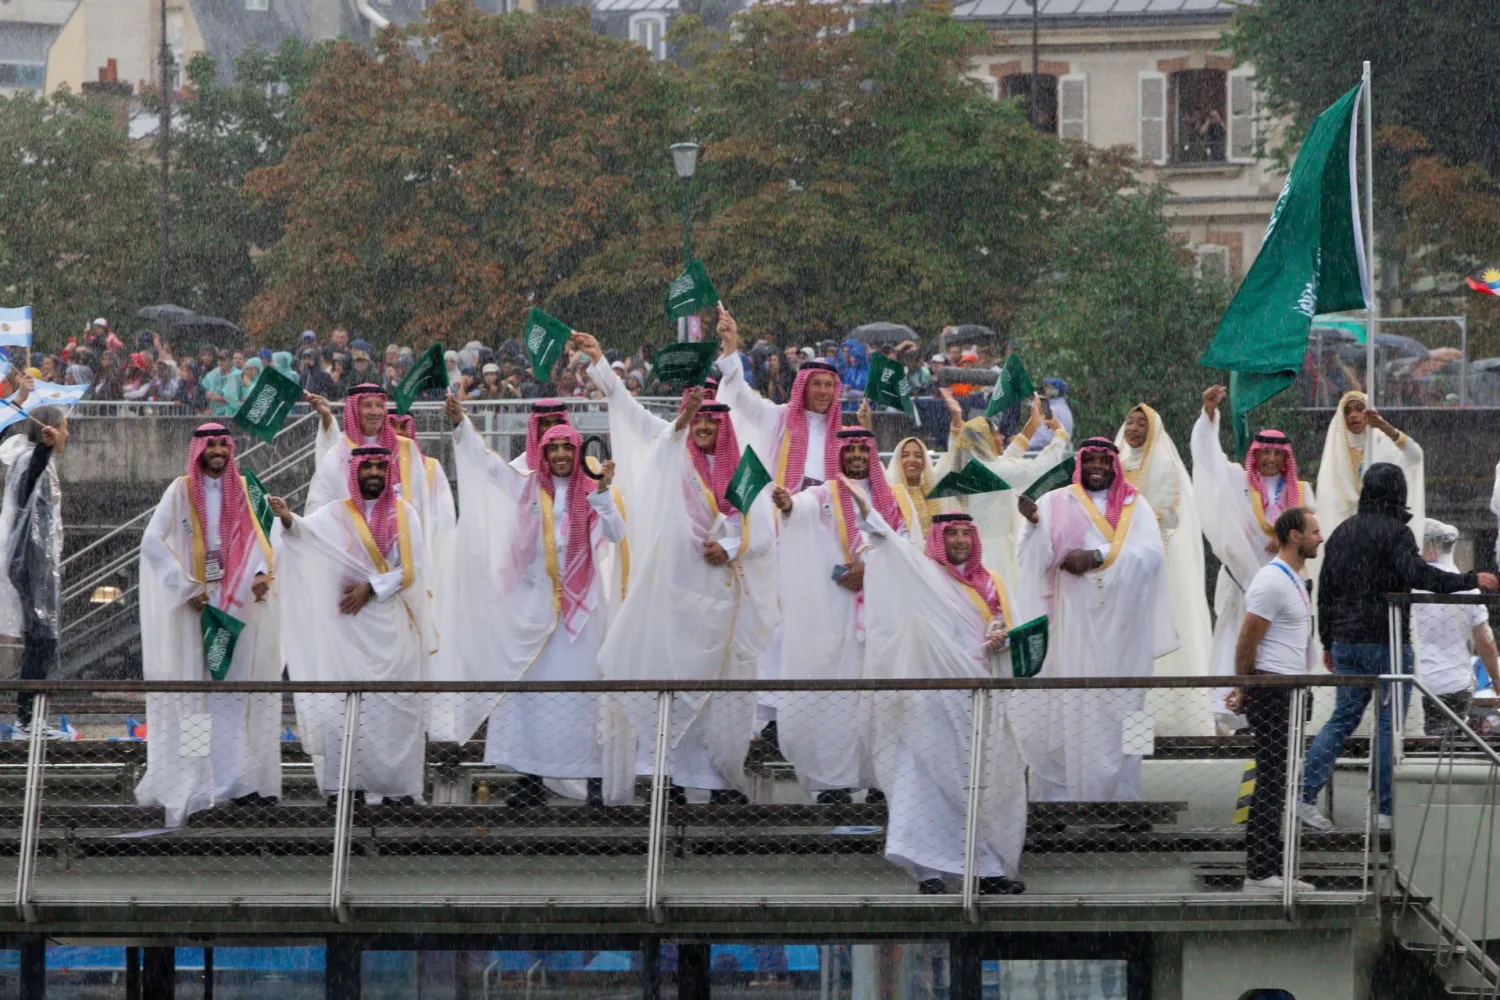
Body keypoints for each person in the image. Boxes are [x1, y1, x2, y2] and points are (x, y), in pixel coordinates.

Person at [435, 396, 626, 806]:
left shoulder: (594, 489)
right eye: (552, 449)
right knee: (532, 695)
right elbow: (486, 465)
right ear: (542, 453)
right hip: (533, 608)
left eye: (566, 449)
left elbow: (616, 534)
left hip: (583, 613)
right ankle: (531, 778)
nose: (559, 456)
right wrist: (461, 424)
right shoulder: (525, 487)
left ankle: (592, 778)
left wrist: (605, 494)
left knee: (583, 697)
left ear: (576, 454)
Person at [596, 389, 778, 805]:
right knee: (677, 688)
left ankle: (718, 781)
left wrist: (730, 547)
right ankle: (671, 780)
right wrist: (679, 422)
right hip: (682, 600)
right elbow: (658, 464)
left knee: (722, 699)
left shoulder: (745, 472)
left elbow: (764, 534)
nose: (703, 427)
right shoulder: (675, 469)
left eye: (711, 421)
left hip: (728, 598)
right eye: (697, 421)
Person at [1298, 464, 1498, 833]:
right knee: (1389, 727)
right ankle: (1383, 810)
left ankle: (1304, 795)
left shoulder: (1341, 533)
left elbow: (1325, 593)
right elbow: (1420, 576)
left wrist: (1328, 641)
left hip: (1346, 642)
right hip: (1387, 640)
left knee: (1343, 719)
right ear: (1398, 493)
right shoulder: (1397, 533)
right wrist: (1470, 579)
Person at [856, 501, 1027, 895]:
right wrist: (867, 508)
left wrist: (1002, 639)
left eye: (966, 533)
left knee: (979, 783)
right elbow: (889, 546)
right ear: (939, 539)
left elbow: (1015, 636)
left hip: (980, 698)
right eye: (951, 533)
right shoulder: (924, 576)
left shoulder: (993, 583)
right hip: (932, 699)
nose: (960, 540)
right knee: (927, 783)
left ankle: (984, 868)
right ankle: (928, 872)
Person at [135, 425, 282, 825]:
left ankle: (238, 780)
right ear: (198, 450)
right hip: (196, 607)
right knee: (196, 698)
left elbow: (263, 538)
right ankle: (197, 782)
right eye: (211, 445)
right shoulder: (180, 490)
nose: (217, 451)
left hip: (235, 606)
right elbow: (152, 542)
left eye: (223, 445)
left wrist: (260, 573)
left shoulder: (245, 489)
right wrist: (185, 588)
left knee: (233, 696)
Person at [1016, 437, 1177, 802]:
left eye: (1105, 461)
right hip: (1073, 628)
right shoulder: (1056, 502)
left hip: (1126, 632)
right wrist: (1033, 526)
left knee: (1132, 711)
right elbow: (1031, 561)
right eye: (1091, 460)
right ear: (1081, 462)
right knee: (1066, 708)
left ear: (1114, 466)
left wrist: (1097, 556)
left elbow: (1152, 556)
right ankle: (1058, 800)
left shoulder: (1137, 505)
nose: (1097, 467)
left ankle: (1126, 796)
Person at [270, 447, 433, 805]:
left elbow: (412, 569)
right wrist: (286, 519)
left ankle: (397, 789)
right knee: (346, 711)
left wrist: (371, 587)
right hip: (348, 630)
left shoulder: (405, 514)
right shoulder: (336, 514)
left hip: (392, 626)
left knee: (395, 711)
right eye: (367, 466)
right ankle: (348, 787)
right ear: (355, 471)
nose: (374, 472)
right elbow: (306, 539)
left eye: (379, 466)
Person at [770, 427, 901, 802]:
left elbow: (905, 546)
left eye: (863, 449)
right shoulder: (822, 494)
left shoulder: (891, 500)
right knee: (835, 701)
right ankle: (833, 785)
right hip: (833, 616)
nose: (857, 456)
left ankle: (879, 781)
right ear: (839, 454)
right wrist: (787, 505)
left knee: (878, 699)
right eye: (850, 450)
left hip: (879, 619)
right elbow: (801, 509)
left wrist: (871, 572)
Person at [1192, 385, 1316, 729]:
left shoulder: (1302, 492)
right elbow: (1207, 457)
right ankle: (1233, 712)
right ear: (1256, 454)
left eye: (1278, 454)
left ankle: (1275, 712)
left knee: (1279, 650)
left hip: (1284, 588)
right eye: (1265, 453)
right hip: (1243, 582)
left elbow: (1314, 535)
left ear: (1287, 458)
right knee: (1241, 640)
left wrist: (1289, 543)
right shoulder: (1236, 480)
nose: (1271, 460)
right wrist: (1209, 414)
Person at [1225, 507, 1323, 893]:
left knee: (1278, 780)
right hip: (1272, 690)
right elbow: (1247, 638)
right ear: (1295, 536)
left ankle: (1269, 868)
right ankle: (1260, 871)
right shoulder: (1271, 580)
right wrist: (1244, 686)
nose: (1320, 537)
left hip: (1287, 689)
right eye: (1315, 531)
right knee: (1271, 779)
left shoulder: (1293, 579)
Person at [306, 384, 456, 618]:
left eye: (379, 405)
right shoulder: (337, 454)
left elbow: (420, 507)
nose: (375, 411)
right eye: (367, 405)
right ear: (355, 409)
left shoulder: (405, 450)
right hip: (350, 573)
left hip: (399, 573)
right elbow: (318, 508)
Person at [1117, 403, 1214, 734]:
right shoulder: (1113, 464)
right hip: (1116, 575)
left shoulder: (1164, 465)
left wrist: (1130, 533)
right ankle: (1129, 732)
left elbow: (1169, 517)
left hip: (1155, 569)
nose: (1132, 428)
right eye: (1129, 421)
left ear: (1153, 431)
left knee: (1156, 652)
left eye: (1140, 424)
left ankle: (1169, 729)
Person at [944, 390, 1070, 592]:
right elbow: (1037, 469)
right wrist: (1060, 435)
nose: (1002, 437)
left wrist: (1032, 423)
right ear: (984, 441)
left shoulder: (978, 469)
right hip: (994, 557)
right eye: (996, 434)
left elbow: (1008, 458)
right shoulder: (989, 473)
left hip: (985, 550)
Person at [1, 407, 67, 741]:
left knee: (42, 641)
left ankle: (31, 718)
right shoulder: (32, 459)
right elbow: (27, 490)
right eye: (64, 427)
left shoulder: (38, 460)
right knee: (43, 640)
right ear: (50, 429)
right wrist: (43, 448)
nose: (67, 435)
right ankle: (27, 722)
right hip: (30, 563)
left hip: (38, 563)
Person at [1412, 519, 1497, 737]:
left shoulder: (1408, 585)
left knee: (1410, 742)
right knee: (1448, 748)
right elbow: (1484, 640)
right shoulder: (1466, 586)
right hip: (1454, 684)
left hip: (1414, 683)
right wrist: (1496, 681)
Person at [1316, 391, 1424, 543]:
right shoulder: (1336, 452)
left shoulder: (1382, 443)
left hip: (1381, 531)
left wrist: (1385, 427)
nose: (1353, 415)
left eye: (1359, 408)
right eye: (1347, 411)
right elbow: (1329, 499)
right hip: (1347, 534)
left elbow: (1416, 456)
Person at [885, 436, 936, 541]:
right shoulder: (890, 496)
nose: (912, 460)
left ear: (924, 462)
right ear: (898, 461)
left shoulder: (931, 495)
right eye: (905, 455)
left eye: (918, 456)